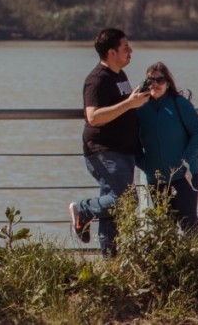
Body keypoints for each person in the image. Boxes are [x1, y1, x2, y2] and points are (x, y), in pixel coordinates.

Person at [68, 28, 150, 258]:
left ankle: (110, 260)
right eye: (126, 47)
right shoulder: (97, 80)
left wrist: (138, 99)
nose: (131, 51)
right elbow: (93, 116)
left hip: (124, 150)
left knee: (113, 210)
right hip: (104, 151)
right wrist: (129, 104)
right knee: (125, 200)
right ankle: (83, 209)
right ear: (112, 52)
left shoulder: (119, 76)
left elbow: (124, 105)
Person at [136, 61, 198, 238]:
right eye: (150, 81)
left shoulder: (179, 103)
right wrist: (143, 164)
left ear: (168, 83)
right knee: (163, 229)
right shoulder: (140, 108)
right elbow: (131, 140)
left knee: (188, 223)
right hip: (156, 178)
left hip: (184, 176)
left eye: (160, 80)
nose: (155, 85)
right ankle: (169, 265)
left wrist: (185, 160)